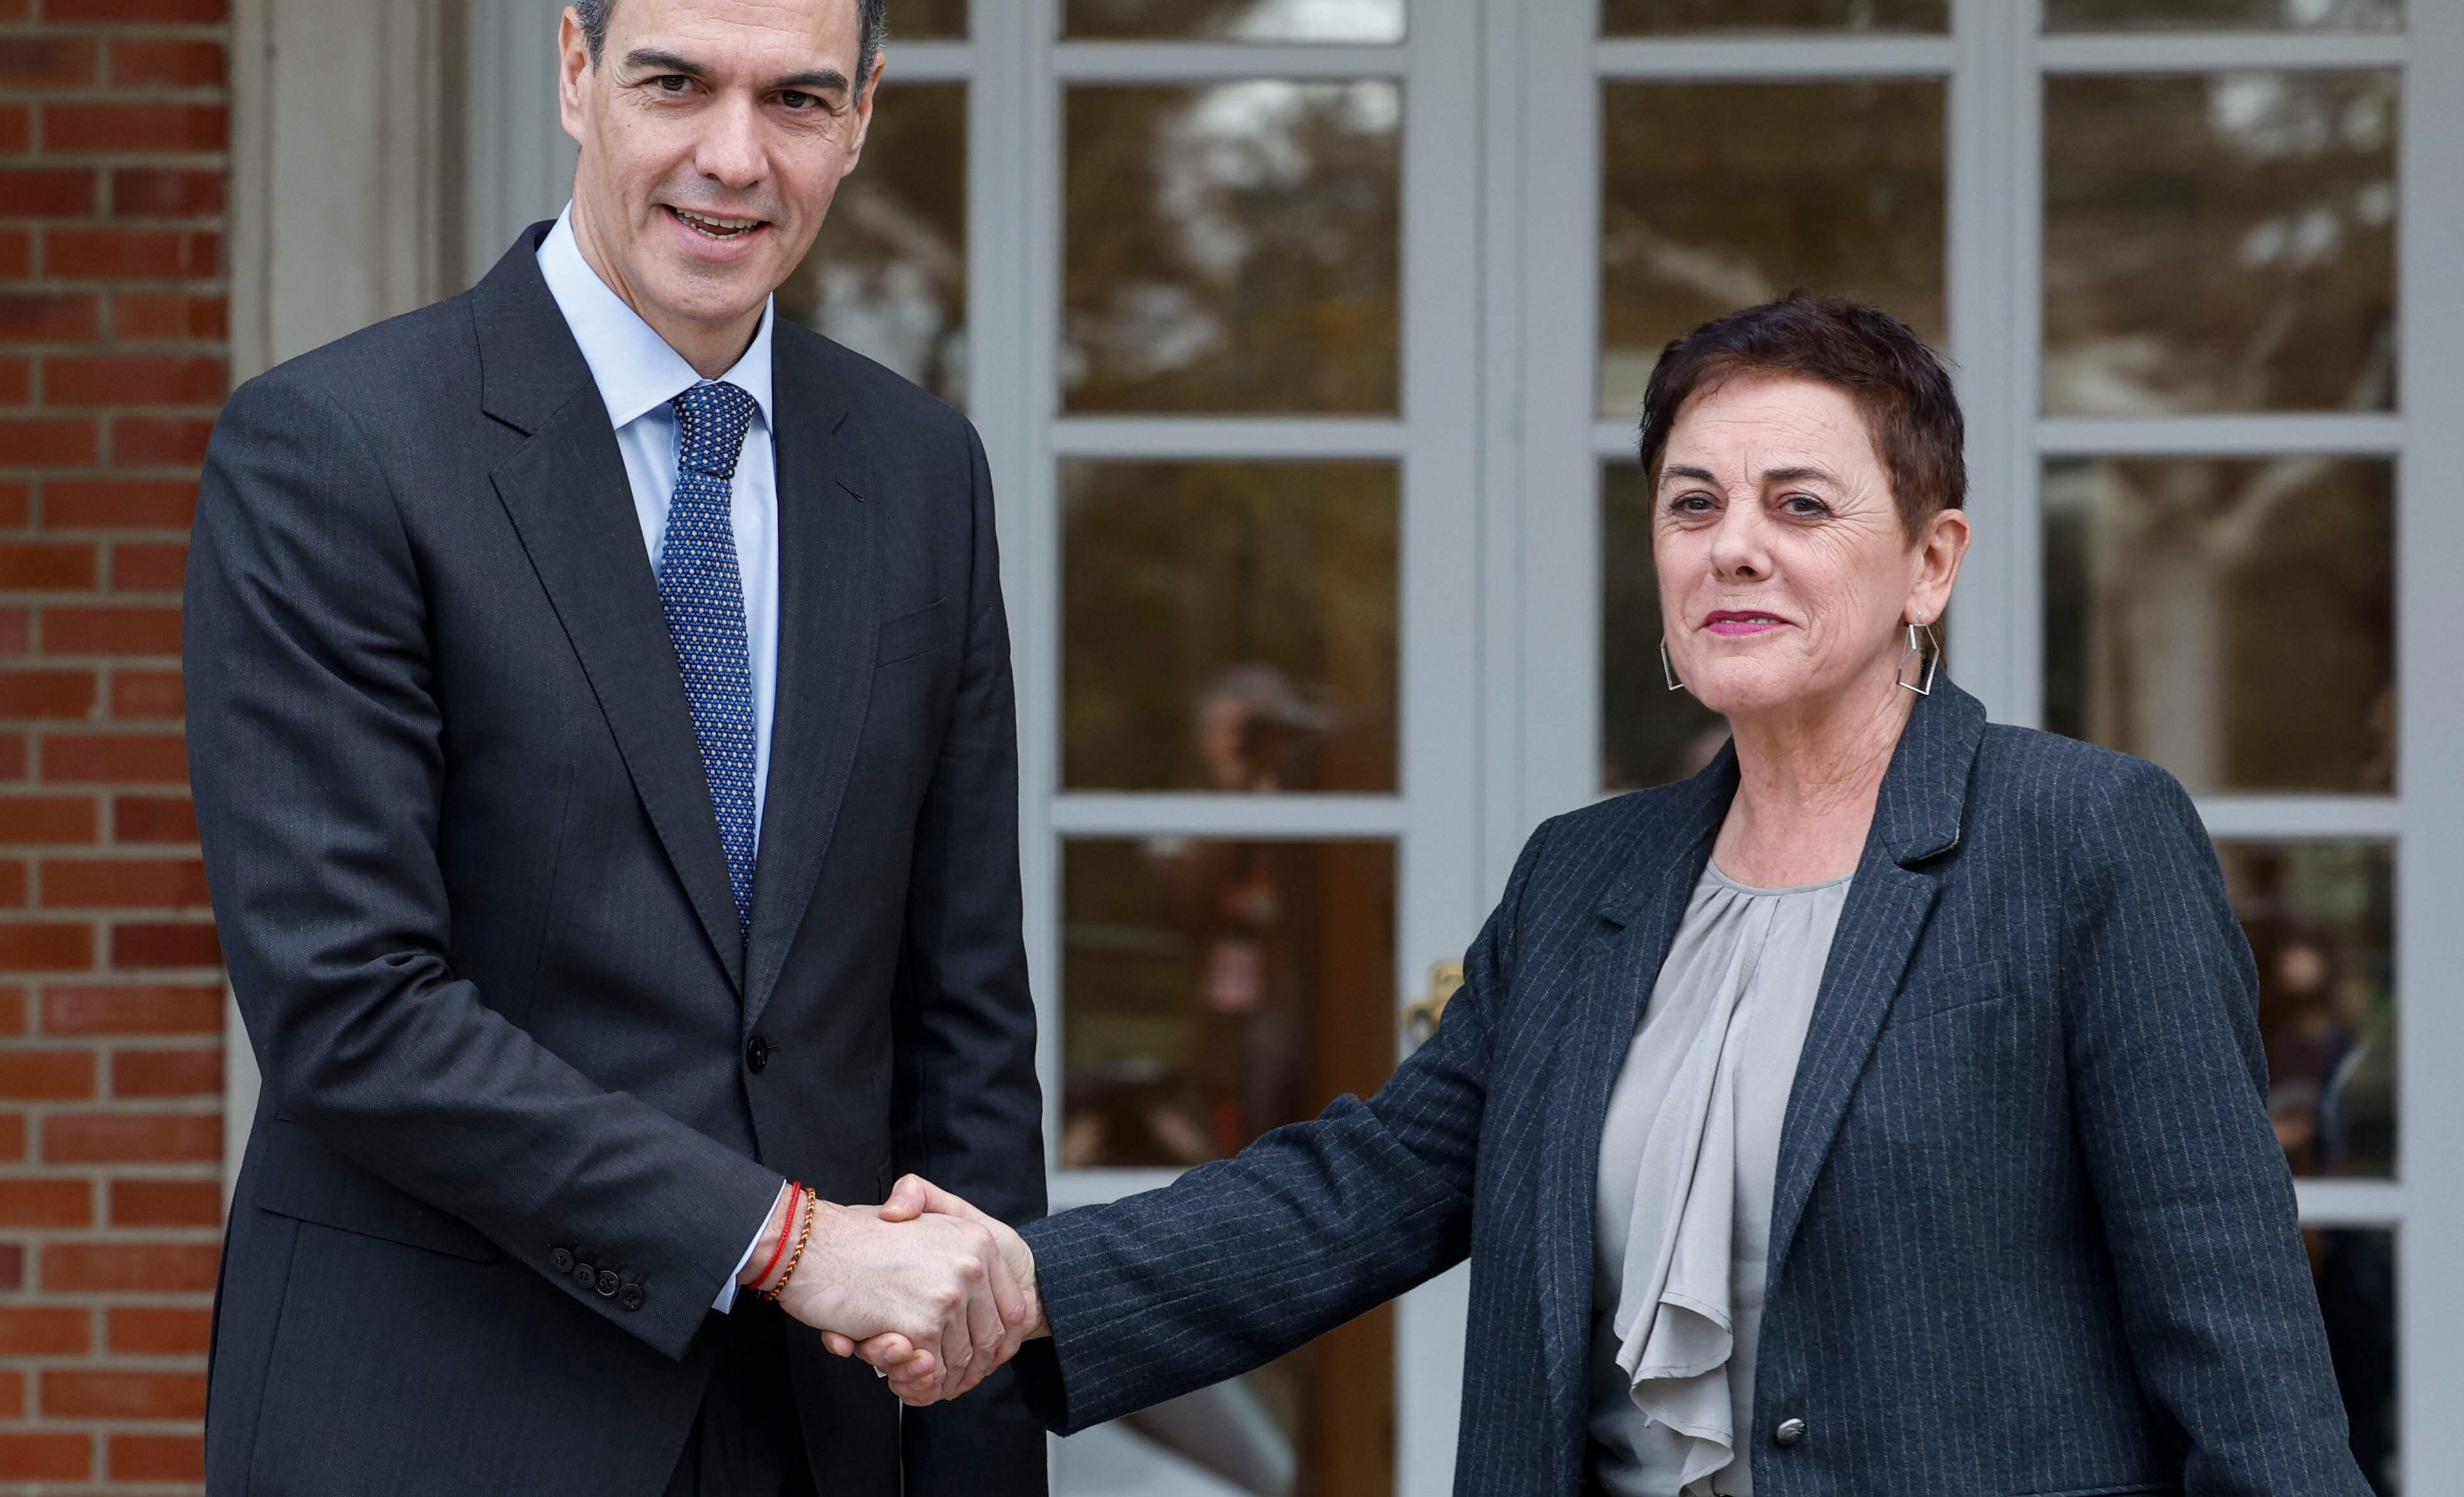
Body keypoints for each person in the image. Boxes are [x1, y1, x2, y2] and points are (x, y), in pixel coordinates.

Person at [858, 294, 2370, 1496]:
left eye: (1799, 505)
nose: (1734, 548)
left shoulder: (2084, 843)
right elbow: (1359, 1188)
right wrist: (1025, 1276)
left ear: (1931, 561)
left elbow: (2235, 1342)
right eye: (1692, 504)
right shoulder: (1586, 878)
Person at [185, 0, 1043, 1497]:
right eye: (675, 82)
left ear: (861, 115)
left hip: (817, 1431)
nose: (732, 157)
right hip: (438, 1420)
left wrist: (974, 1444)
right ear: (577, 72)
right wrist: (785, 1241)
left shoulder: (919, 472)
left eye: (796, 99)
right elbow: (351, 1007)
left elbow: (961, 1022)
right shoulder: (335, 451)